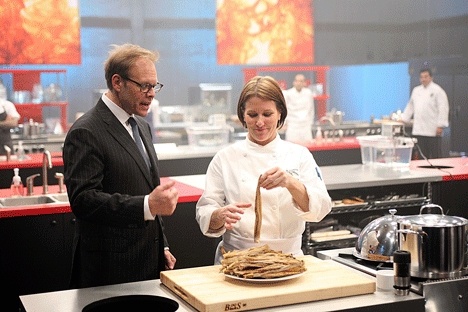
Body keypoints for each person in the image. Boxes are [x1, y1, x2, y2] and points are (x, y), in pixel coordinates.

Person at [63, 43, 179, 288]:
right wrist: (146, 205)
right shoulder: (87, 130)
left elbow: (150, 192)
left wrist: (163, 244)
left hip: (148, 263)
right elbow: (83, 200)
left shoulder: (142, 127)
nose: (152, 93)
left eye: (154, 86)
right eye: (144, 86)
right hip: (109, 273)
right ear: (118, 82)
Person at [196, 75, 332, 264]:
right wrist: (218, 216)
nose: (260, 122)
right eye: (253, 115)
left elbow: (321, 208)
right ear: (243, 115)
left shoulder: (299, 155)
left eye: (267, 114)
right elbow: (206, 209)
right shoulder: (225, 158)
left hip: (288, 259)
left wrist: (290, 183)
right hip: (236, 260)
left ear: (280, 114)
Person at [401, 68, 449, 159]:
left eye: (426, 77)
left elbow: (443, 108)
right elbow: (410, 106)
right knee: (421, 155)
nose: (423, 79)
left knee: (435, 155)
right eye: (421, 77)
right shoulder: (416, 90)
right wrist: (404, 119)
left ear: (431, 77)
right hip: (419, 130)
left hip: (433, 130)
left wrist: (440, 125)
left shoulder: (438, 91)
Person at [282, 74, 315, 144]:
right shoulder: (288, 93)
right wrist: (284, 123)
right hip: (293, 126)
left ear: (304, 83)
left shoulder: (308, 93)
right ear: (294, 82)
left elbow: (311, 109)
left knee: (308, 148)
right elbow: (284, 109)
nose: (299, 83)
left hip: (305, 126)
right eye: (297, 81)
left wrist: (310, 123)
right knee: (291, 149)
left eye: (301, 81)